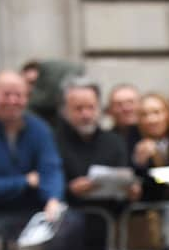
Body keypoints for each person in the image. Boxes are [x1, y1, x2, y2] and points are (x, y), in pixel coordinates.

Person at [0, 71, 64, 219]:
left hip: (33, 214)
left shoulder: (40, 128)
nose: (13, 101)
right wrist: (25, 181)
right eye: (6, 95)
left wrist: (52, 199)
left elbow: (51, 169)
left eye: (19, 95)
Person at [55, 77, 140, 207]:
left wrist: (131, 192)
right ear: (65, 111)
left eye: (91, 107)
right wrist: (70, 190)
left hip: (109, 218)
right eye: (78, 108)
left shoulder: (115, 142)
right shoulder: (54, 143)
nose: (86, 114)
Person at [104, 83, 143, 151]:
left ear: (141, 105)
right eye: (119, 104)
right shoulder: (105, 141)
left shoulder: (153, 136)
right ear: (110, 110)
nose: (126, 108)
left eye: (131, 102)